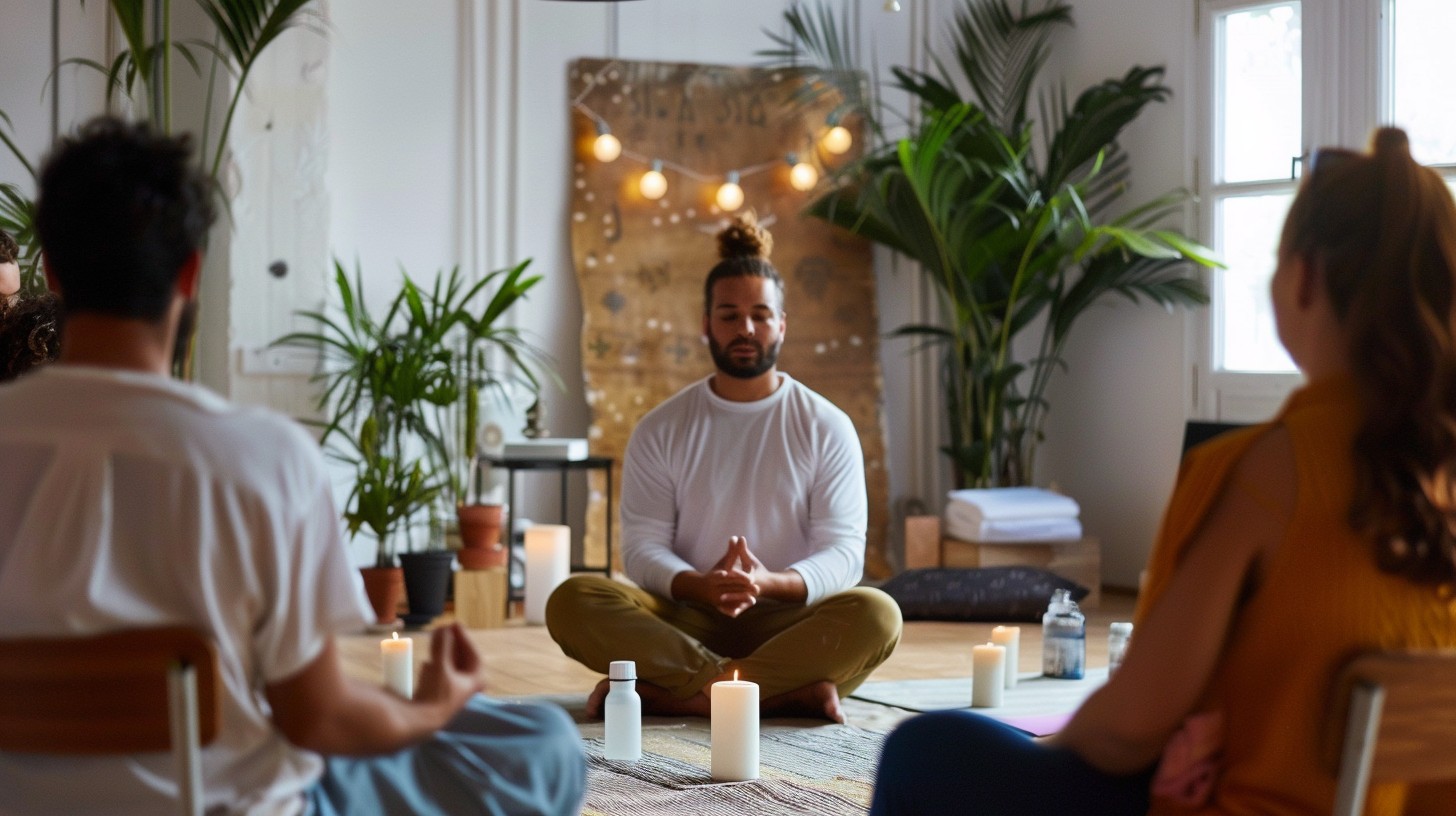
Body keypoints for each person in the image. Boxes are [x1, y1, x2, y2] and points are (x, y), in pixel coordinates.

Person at [0, 117, 585, 815]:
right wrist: (432, 708)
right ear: (191, 269)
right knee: (544, 740)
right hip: (237, 806)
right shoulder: (263, 459)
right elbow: (320, 720)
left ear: (53, 271)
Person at [870, 128, 1456, 815]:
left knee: (929, 749)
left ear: (1304, 276)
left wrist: (1058, 750)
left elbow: (1128, 729)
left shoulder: (1268, 471)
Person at [546, 212, 902, 723]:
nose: (746, 328)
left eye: (760, 314)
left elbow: (844, 553)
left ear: (782, 324)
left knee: (877, 614)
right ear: (706, 324)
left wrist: (769, 582)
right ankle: (779, 694)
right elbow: (641, 548)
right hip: (687, 620)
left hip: (789, 620)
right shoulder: (661, 427)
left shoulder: (827, 425)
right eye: (730, 315)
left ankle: (679, 696)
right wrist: (699, 585)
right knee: (572, 599)